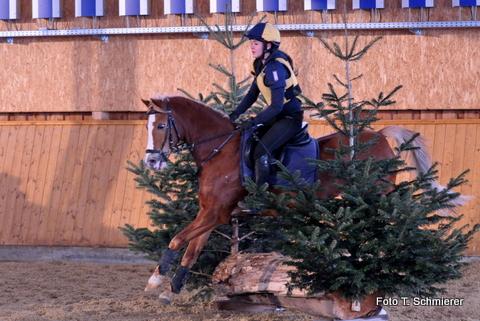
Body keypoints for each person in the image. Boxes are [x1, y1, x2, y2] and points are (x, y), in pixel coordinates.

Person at [229, 22, 303, 186]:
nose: (252, 47)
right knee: (249, 140)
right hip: (278, 116)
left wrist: (254, 121)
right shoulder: (261, 64)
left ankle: (259, 198)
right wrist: (234, 114)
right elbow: (252, 94)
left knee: (260, 151)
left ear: (268, 45)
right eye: (251, 43)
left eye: (255, 43)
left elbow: (277, 106)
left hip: (289, 118)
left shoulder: (274, 67)